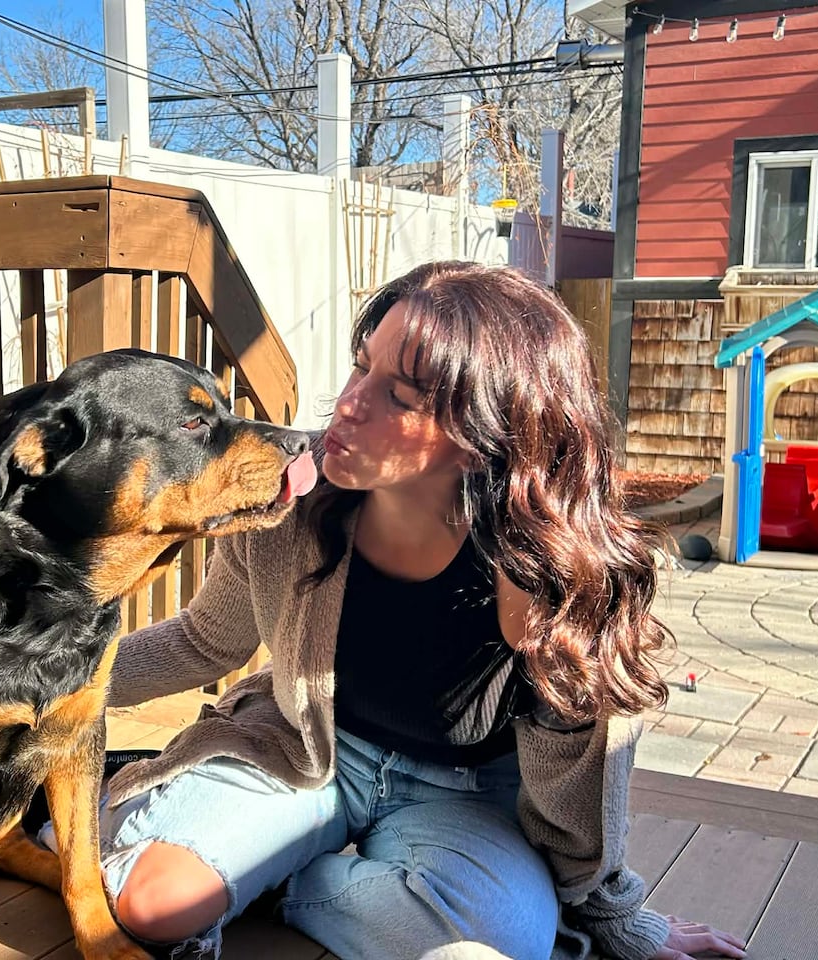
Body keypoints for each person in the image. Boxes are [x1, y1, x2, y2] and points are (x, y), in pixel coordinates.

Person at [76, 262, 748, 960]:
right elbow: (203, 642)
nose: (348, 404)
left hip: (465, 801)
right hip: (301, 750)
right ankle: (287, 862)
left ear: (486, 436)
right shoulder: (293, 497)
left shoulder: (557, 574)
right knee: (153, 903)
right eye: (360, 367)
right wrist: (47, 680)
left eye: (397, 395)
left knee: (499, 940)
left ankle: (290, 879)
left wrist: (616, 920)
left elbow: (587, 785)